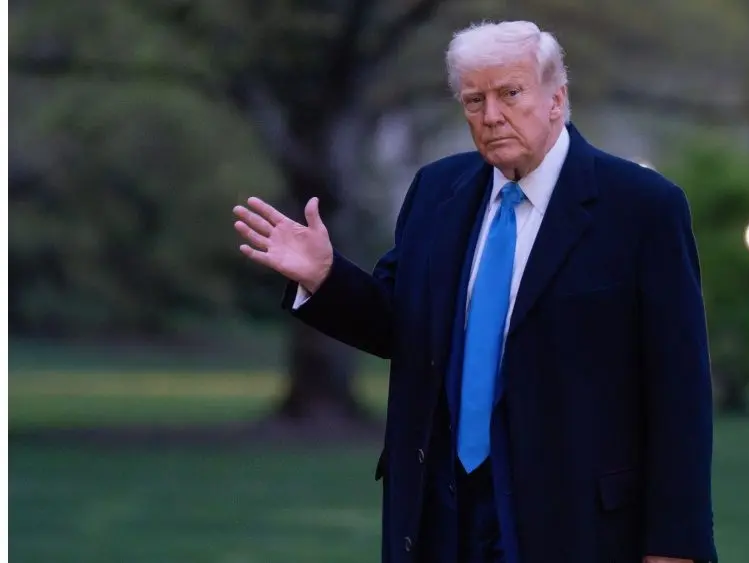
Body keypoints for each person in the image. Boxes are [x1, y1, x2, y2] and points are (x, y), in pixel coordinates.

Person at [233, 20, 717, 563]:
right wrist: (325, 278)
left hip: (572, 517)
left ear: (556, 99)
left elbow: (679, 389)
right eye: (473, 100)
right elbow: (401, 324)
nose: (490, 116)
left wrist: (675, 545)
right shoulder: (437, 191)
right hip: (439, 513)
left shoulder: (642, 207)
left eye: (510, 94)